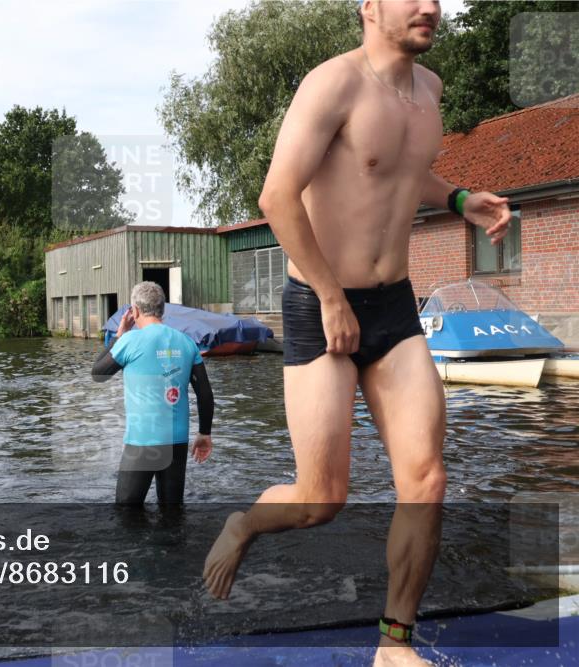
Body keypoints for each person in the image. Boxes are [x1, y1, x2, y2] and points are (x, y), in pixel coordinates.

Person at [201, 3, 511, 664]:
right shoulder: (332, 83)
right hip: (320, 303)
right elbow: (277, 195)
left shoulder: (429, 91)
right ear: (370, 7)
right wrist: (330, 295)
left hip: (395, 307)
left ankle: (393, 644)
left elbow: (396, 171)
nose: (430, 7)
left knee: (425, 478)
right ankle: (247, 520)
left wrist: (459, 199)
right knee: (322, 500)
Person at [91, 282, 214, 506]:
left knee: (126, 512)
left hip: (143, 441)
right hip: (177, 440)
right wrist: (204, 434)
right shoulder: (186, 342)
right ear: (162, 309)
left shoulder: (129, 341)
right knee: (172, 512)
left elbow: (98, 374)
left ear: (134, 311)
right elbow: (204, 393)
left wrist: (120, 335)